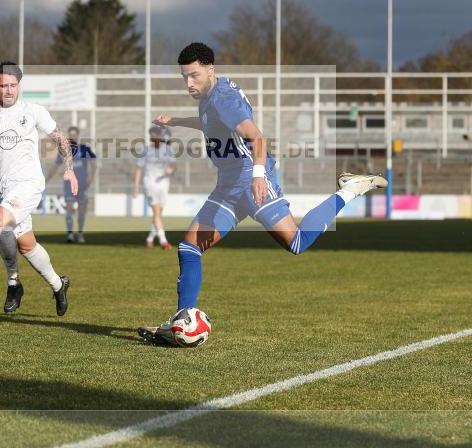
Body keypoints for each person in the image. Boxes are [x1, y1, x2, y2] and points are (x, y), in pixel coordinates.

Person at [138, 43, 387, 345]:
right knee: (189, 248)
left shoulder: (223, 99)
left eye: (194, 75)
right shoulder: (209, 95)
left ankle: (349, 190)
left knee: (295, 243)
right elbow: (209, 124)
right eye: (184, 77)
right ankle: (183, 321)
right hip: (228, 187)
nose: (189, 83)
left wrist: (258, 176)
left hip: (249, 181)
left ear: (210, 69)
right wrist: (176, 121)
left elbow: (256, 137)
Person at [0, 61, 75, 316]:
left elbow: (60, 137)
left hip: (28, 184)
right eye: (3, 85)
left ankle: (13, 283)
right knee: (26, 244)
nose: (8, 90)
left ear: (18, 85)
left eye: (12, 85)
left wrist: (69, 168)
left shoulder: (33, 111)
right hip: (1, 190)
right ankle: (58, 284)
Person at [45, 126, 97, 243]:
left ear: (78, 136)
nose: (72, 137)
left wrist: (91, 177)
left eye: (74, 135)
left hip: (82, 184)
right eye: (71, 135)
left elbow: (94, 164)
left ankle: (80, 234)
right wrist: (46, 180)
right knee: (69, 208)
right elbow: (55, 166)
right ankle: (69, 235)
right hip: (68, 184)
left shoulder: (84, 149)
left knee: (82, 210)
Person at [133, 125, 176, 249]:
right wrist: (136, 187)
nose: (155, 136)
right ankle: (164, 242)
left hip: (164, 184)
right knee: (156, 212)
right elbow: (138, 169)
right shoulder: (145, 150)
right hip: (149, 184)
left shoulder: (168, 149)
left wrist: (171, 170)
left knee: (158, 214)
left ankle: (150, 238)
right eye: (153, 134)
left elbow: (174, 165)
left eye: (157, 134)